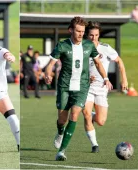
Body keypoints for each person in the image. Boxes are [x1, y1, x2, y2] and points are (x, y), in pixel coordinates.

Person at [45, 16, 113, 161]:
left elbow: (98, 63)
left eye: (83, 31)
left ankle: (62, 151)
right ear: (71, 30)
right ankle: (60, 131)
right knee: (62, 120)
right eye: (78, 31)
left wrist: (106, 78)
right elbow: (50, 64)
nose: (81, 34)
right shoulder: (62, 45)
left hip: (82, 87)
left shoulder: (89, 46)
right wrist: (48, 75)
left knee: (74, 115)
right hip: (64, 86)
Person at [83, 21, 128, 153]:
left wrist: (124, 79)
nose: (94, 38)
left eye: (96, 35)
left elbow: (119, 61)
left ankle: (91, 115)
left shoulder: (105, 48)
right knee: (85, 113)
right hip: (86, 87)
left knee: (101, 121)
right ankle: (94, 144)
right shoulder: (82, 48)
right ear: (87, 35)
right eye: (91, 35)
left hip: (102, 88)